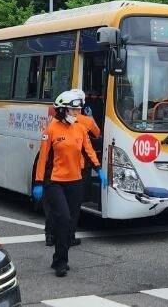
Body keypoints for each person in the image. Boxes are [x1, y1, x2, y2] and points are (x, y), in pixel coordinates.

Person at [33, 89, 100, 277]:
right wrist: (39, 182)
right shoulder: (51, 129)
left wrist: (99, 168)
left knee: (69, 224)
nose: (76, 114)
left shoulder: (80, 127)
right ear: (62, 110)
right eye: (72, 110)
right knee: (62, 218)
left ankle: (60, 257)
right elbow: (43, 159)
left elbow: (88, 150)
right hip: (54, 182)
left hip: (75, 181)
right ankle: (61, 263)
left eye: (77, 110)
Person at [43, 90, 100, 248]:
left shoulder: (54, 119)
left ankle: (50, 234)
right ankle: (69, 236)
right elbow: (97, 133)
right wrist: (91, 117)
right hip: (78, 169)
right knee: (72, 207)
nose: (77, 111)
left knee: (54, 206)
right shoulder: (85, 120)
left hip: (61, 168)